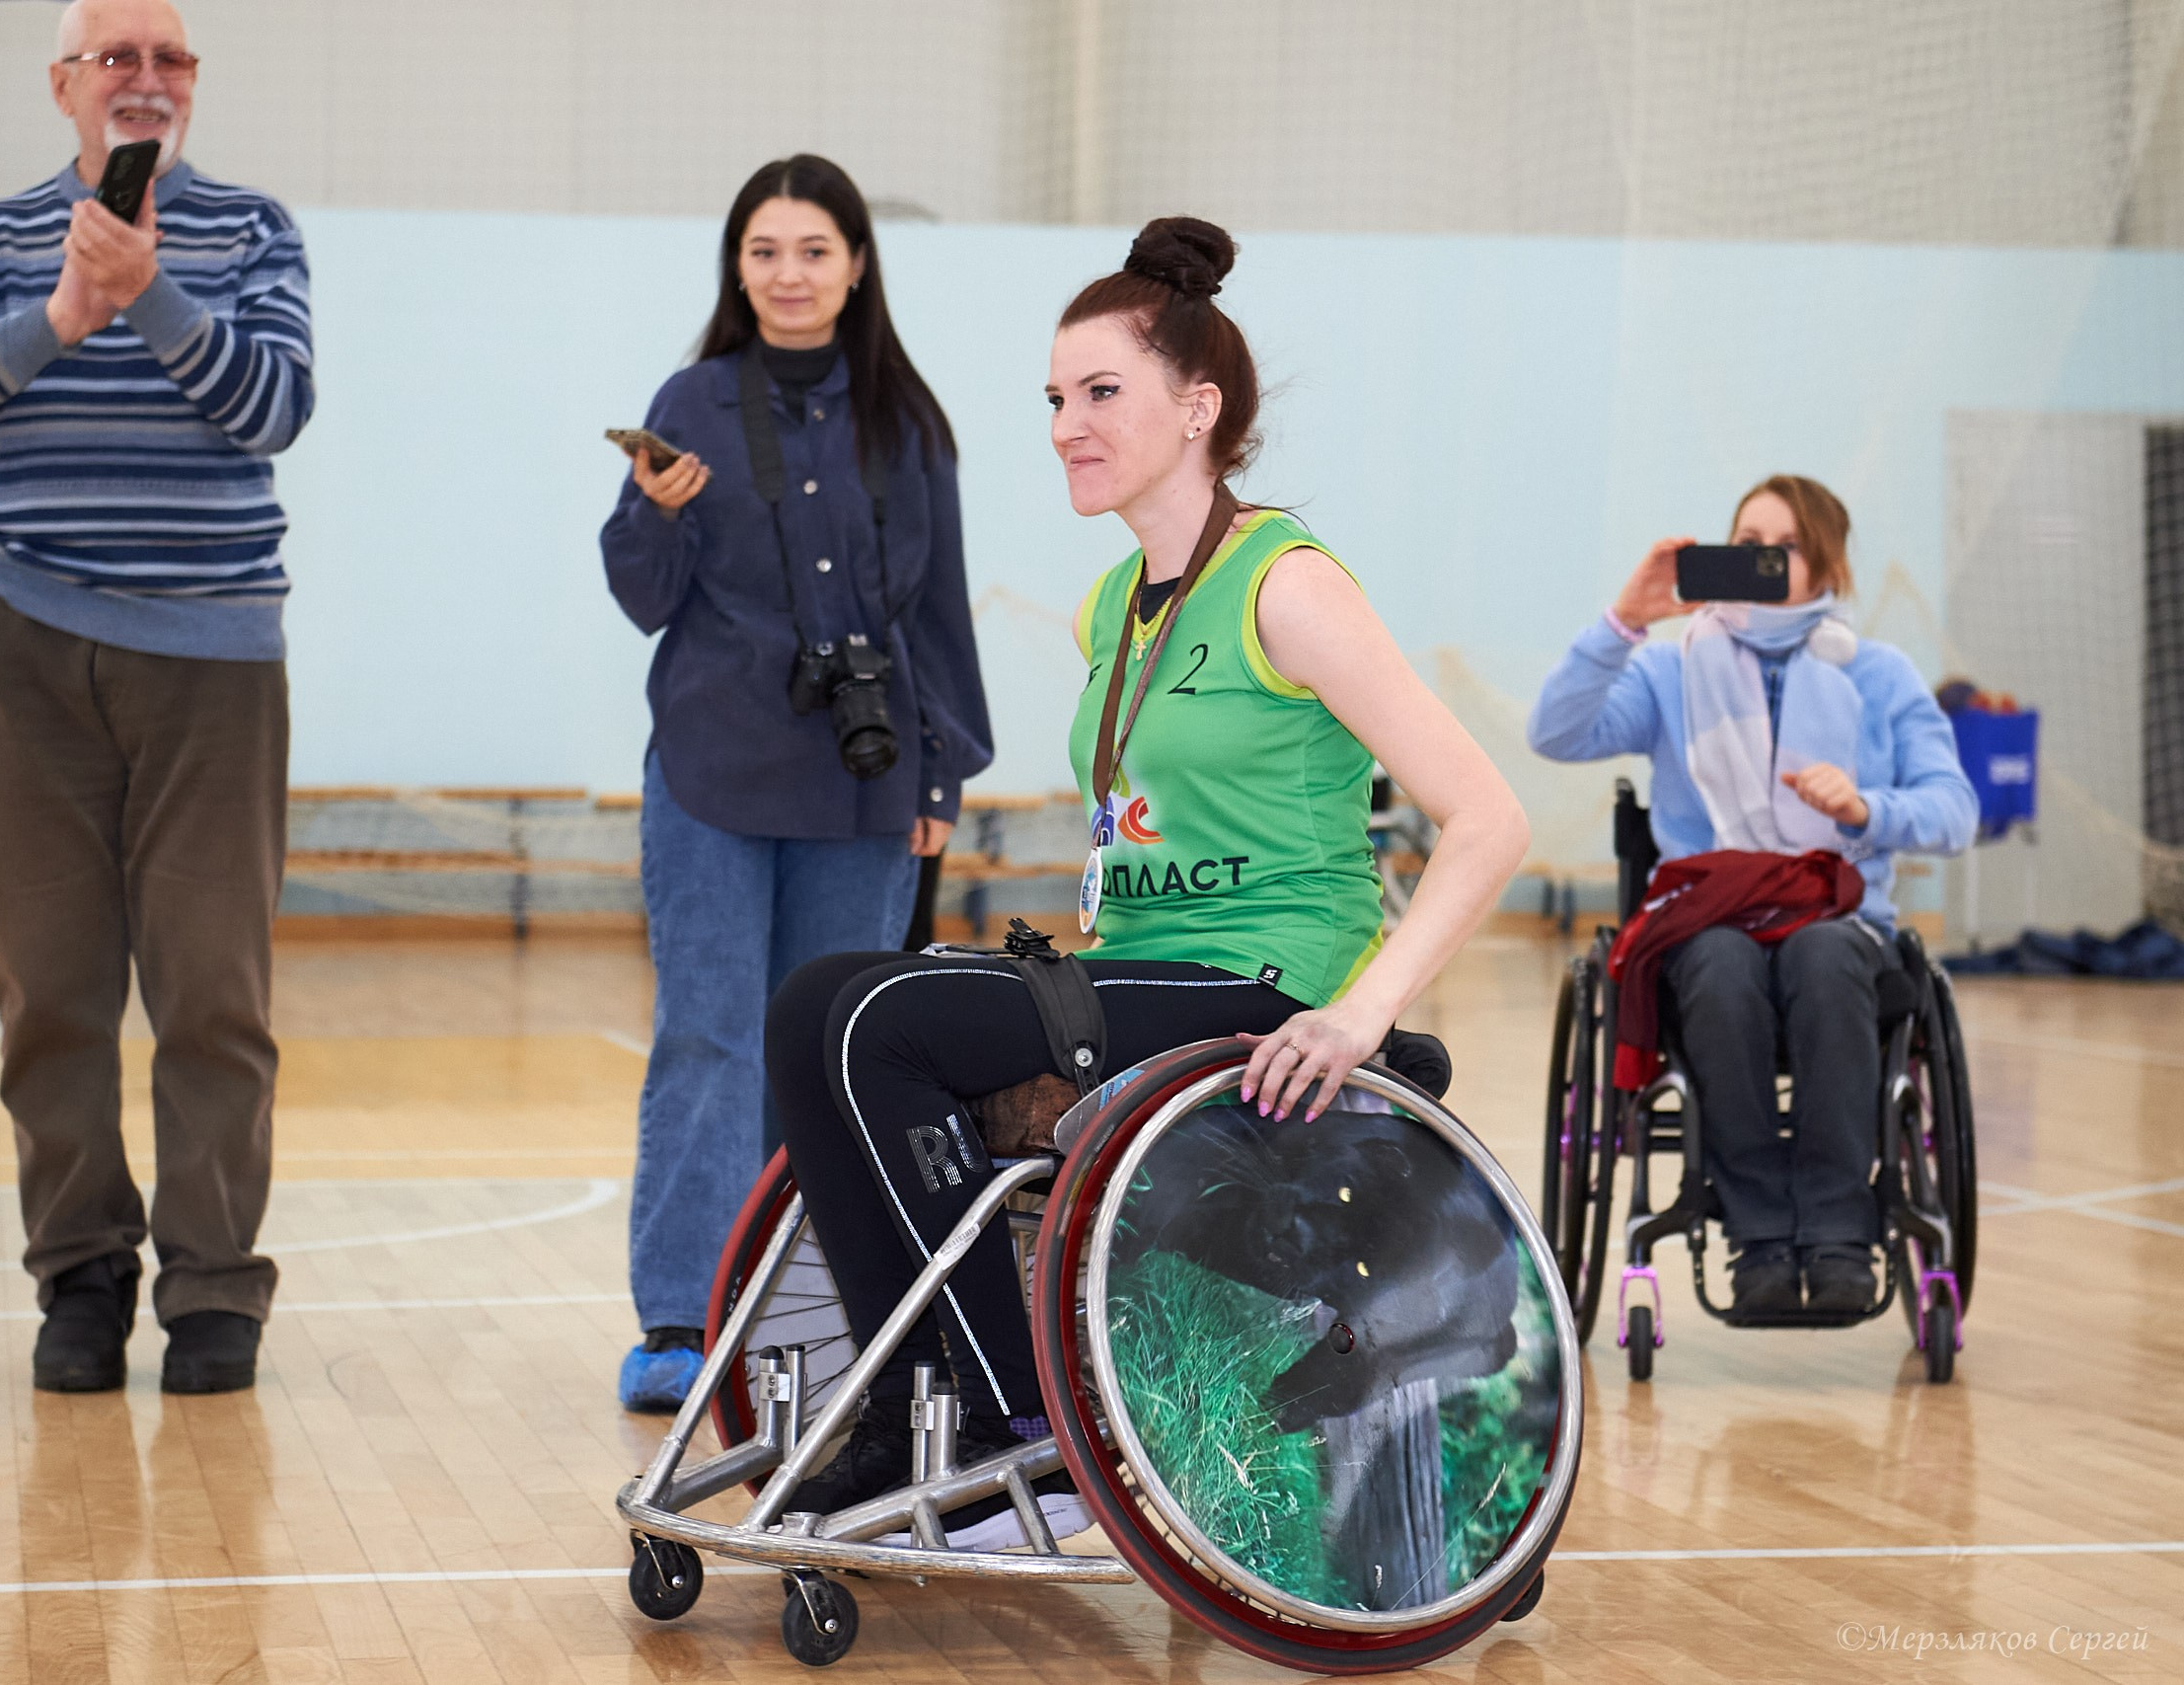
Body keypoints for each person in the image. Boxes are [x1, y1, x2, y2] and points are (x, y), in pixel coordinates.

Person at [759, 217, 1532, 1548]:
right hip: (1136, 965)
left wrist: (1357, 1015)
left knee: (876, 1018)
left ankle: (1022, 1426)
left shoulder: (1285, 586)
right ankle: (906, 1398)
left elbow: (1490, 819)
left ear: (1198, 407)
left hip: (1269, 978)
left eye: (1100, 392)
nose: (1068, 425)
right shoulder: (1109, 605)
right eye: (1055, 399)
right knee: (815, 1000)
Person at [0, 0, 314, 1394]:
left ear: (193, 85)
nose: (145, 78)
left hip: (214, 660)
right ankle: (80, 1273)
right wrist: (63, 313)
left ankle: (214, 1286)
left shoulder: (252, 230)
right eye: (115, 57)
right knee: (49, 993)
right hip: (24, 649)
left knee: (213, 994)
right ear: (63, 84)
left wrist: (152, 293)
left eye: (169, 57)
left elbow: (275, 407)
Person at [601, 155, 993, 1412]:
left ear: (857, 266)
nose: (788, 274)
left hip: (864, 786)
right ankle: (680, 1318)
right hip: (711, 773)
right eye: (763, 251)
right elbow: (641, 597)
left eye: (813, 250)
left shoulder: (907, 422)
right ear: (737, 267)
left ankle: (803, 1312)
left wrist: (944, 771)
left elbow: (938, 610)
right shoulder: (691, 403)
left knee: (829, 1056)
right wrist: (652, 513)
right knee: (709, 1037)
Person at [1527, 477, 1976, 1316]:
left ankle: (1840, 1233)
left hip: (1838, 924)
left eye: (1784, 547)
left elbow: (1955, 810)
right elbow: (1555, 731)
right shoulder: (1671, 670)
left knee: (1824, 951)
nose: (1760, 560)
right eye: (1746, 544)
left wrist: (1868, 808)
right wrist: (1624, 620)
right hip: (1709, 924)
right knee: (1721, 962)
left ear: (1827, 565)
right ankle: (1759, 1234)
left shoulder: (1879, 674)